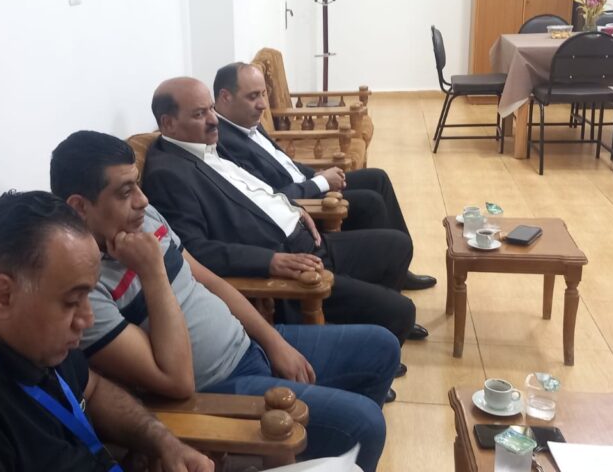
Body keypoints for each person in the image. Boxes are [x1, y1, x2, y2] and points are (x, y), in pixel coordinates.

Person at [50, 130, 400, 471]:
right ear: (79, 207)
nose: (142, 200)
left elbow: (211, 281)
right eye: (125, 192)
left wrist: (273, 341)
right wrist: (153, 271)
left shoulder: (144, 220)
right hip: (217, 388)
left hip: (247, 344)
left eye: (138, 185)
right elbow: (176, 382)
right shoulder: (85, 291)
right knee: (364, 423)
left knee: (381, 347)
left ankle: (325, 455)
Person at [0, 191, 213, 472]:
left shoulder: (33, 342)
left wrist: (162, 442)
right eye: (72, 301)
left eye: (88, 295)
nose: (86, 319)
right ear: (2, 295)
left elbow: (93, 389)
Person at [141, 77, 426, 343]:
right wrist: (270, 261)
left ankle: (367, 318)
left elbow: (255, 189)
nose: (214, 120)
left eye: (211, 109)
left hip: (307, 239)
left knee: (398, 246)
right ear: (168, 123)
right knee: (401, 312)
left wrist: (291, 206)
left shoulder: (203, 145)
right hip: (287, 266)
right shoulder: (169, 174)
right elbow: (195, 250)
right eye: (200, 114)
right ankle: (365, 341)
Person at [212, 62, 436, 291]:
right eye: (253, 96)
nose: (262, 104)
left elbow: (285, 163)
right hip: (301, 201)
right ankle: (385, 278)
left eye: (263, 94)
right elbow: (271, 195)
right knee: (371, 202)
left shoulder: (246, 118)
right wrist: (321, 182)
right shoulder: (223, 142)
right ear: (225, 97)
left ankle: (400, 269)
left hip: (307, 184)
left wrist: (317, 174)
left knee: (378, 179)